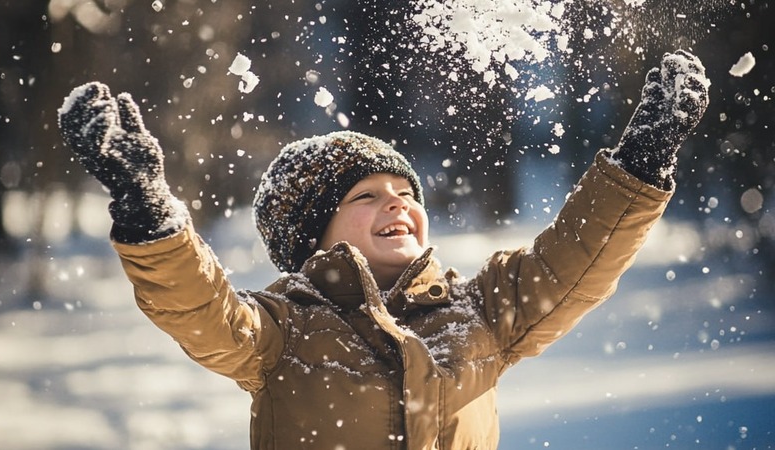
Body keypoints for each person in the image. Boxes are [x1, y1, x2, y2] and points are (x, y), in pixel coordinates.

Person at [58, 49, 709, 449]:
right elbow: (201, 311)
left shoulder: (479, 314)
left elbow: (573, 263)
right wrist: (147, 208)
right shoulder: (282, 332)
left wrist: (640, 164)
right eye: (366, 196)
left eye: (406, 190)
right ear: (313, 235)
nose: (397, 202)